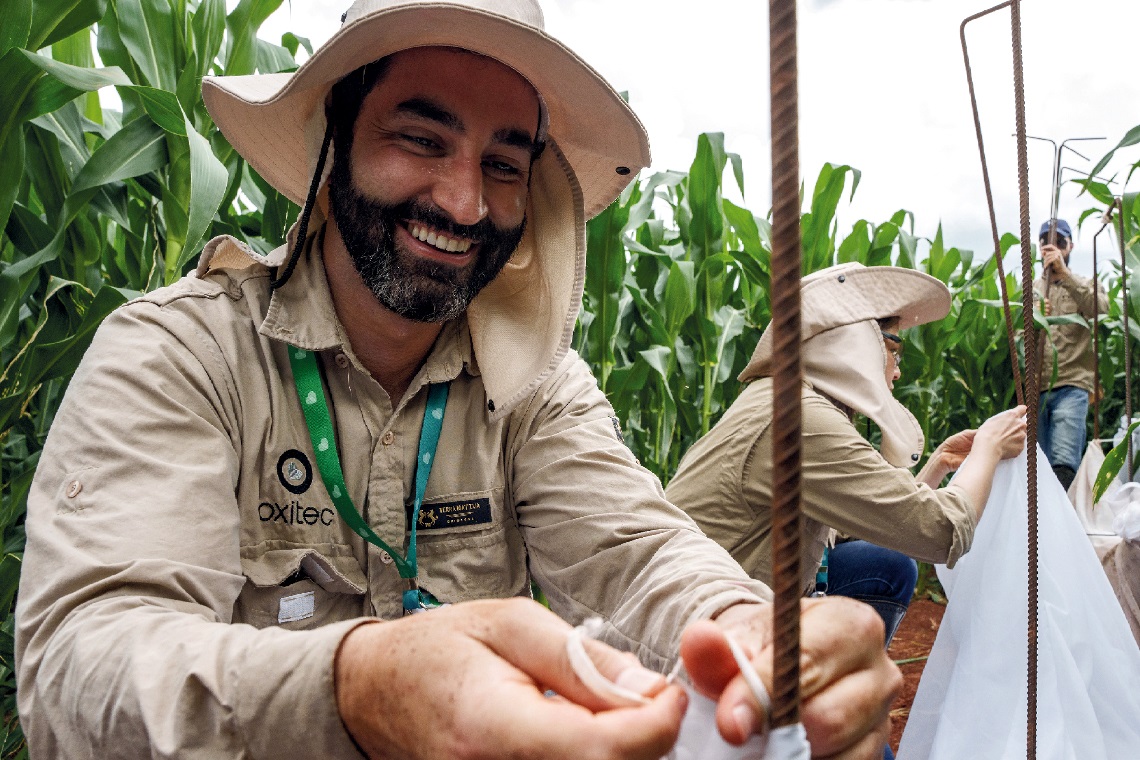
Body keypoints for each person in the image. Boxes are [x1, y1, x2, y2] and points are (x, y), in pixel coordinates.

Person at [14, 2, 901, 758]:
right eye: (421, 138)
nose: (465, 203)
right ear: (338, 142)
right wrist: (351, 686)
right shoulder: (183, 356)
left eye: (504, 165)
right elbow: (80, 667)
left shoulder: (533, 390)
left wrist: (750, 633)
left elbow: (636, 550)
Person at [667, 263, 1027, 648]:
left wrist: (939, 462)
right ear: (856, 344)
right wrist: (988, 447)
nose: (897, 372)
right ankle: (810, 694)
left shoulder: (783, 399)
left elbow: (860, 523)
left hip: (703, 599)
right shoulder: (800, 418)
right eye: (892, 351)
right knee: (890, 566)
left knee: (883, 561)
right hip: (697, 629)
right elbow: (940, 531)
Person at [1035, 218, 1109, 490]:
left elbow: (1100, 309)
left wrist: (1065, 276)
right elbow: (1018, 340)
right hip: (1038, 389)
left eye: (1059, 241)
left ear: (1070, 247)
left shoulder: (1086, 284)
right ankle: (1042, 527)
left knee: (1063, 461)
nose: (1050, 245)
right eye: (1045, 240)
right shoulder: (1032, 290)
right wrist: (1034, 321)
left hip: (1072, 385)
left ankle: (1061, 522)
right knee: (1039, 465)